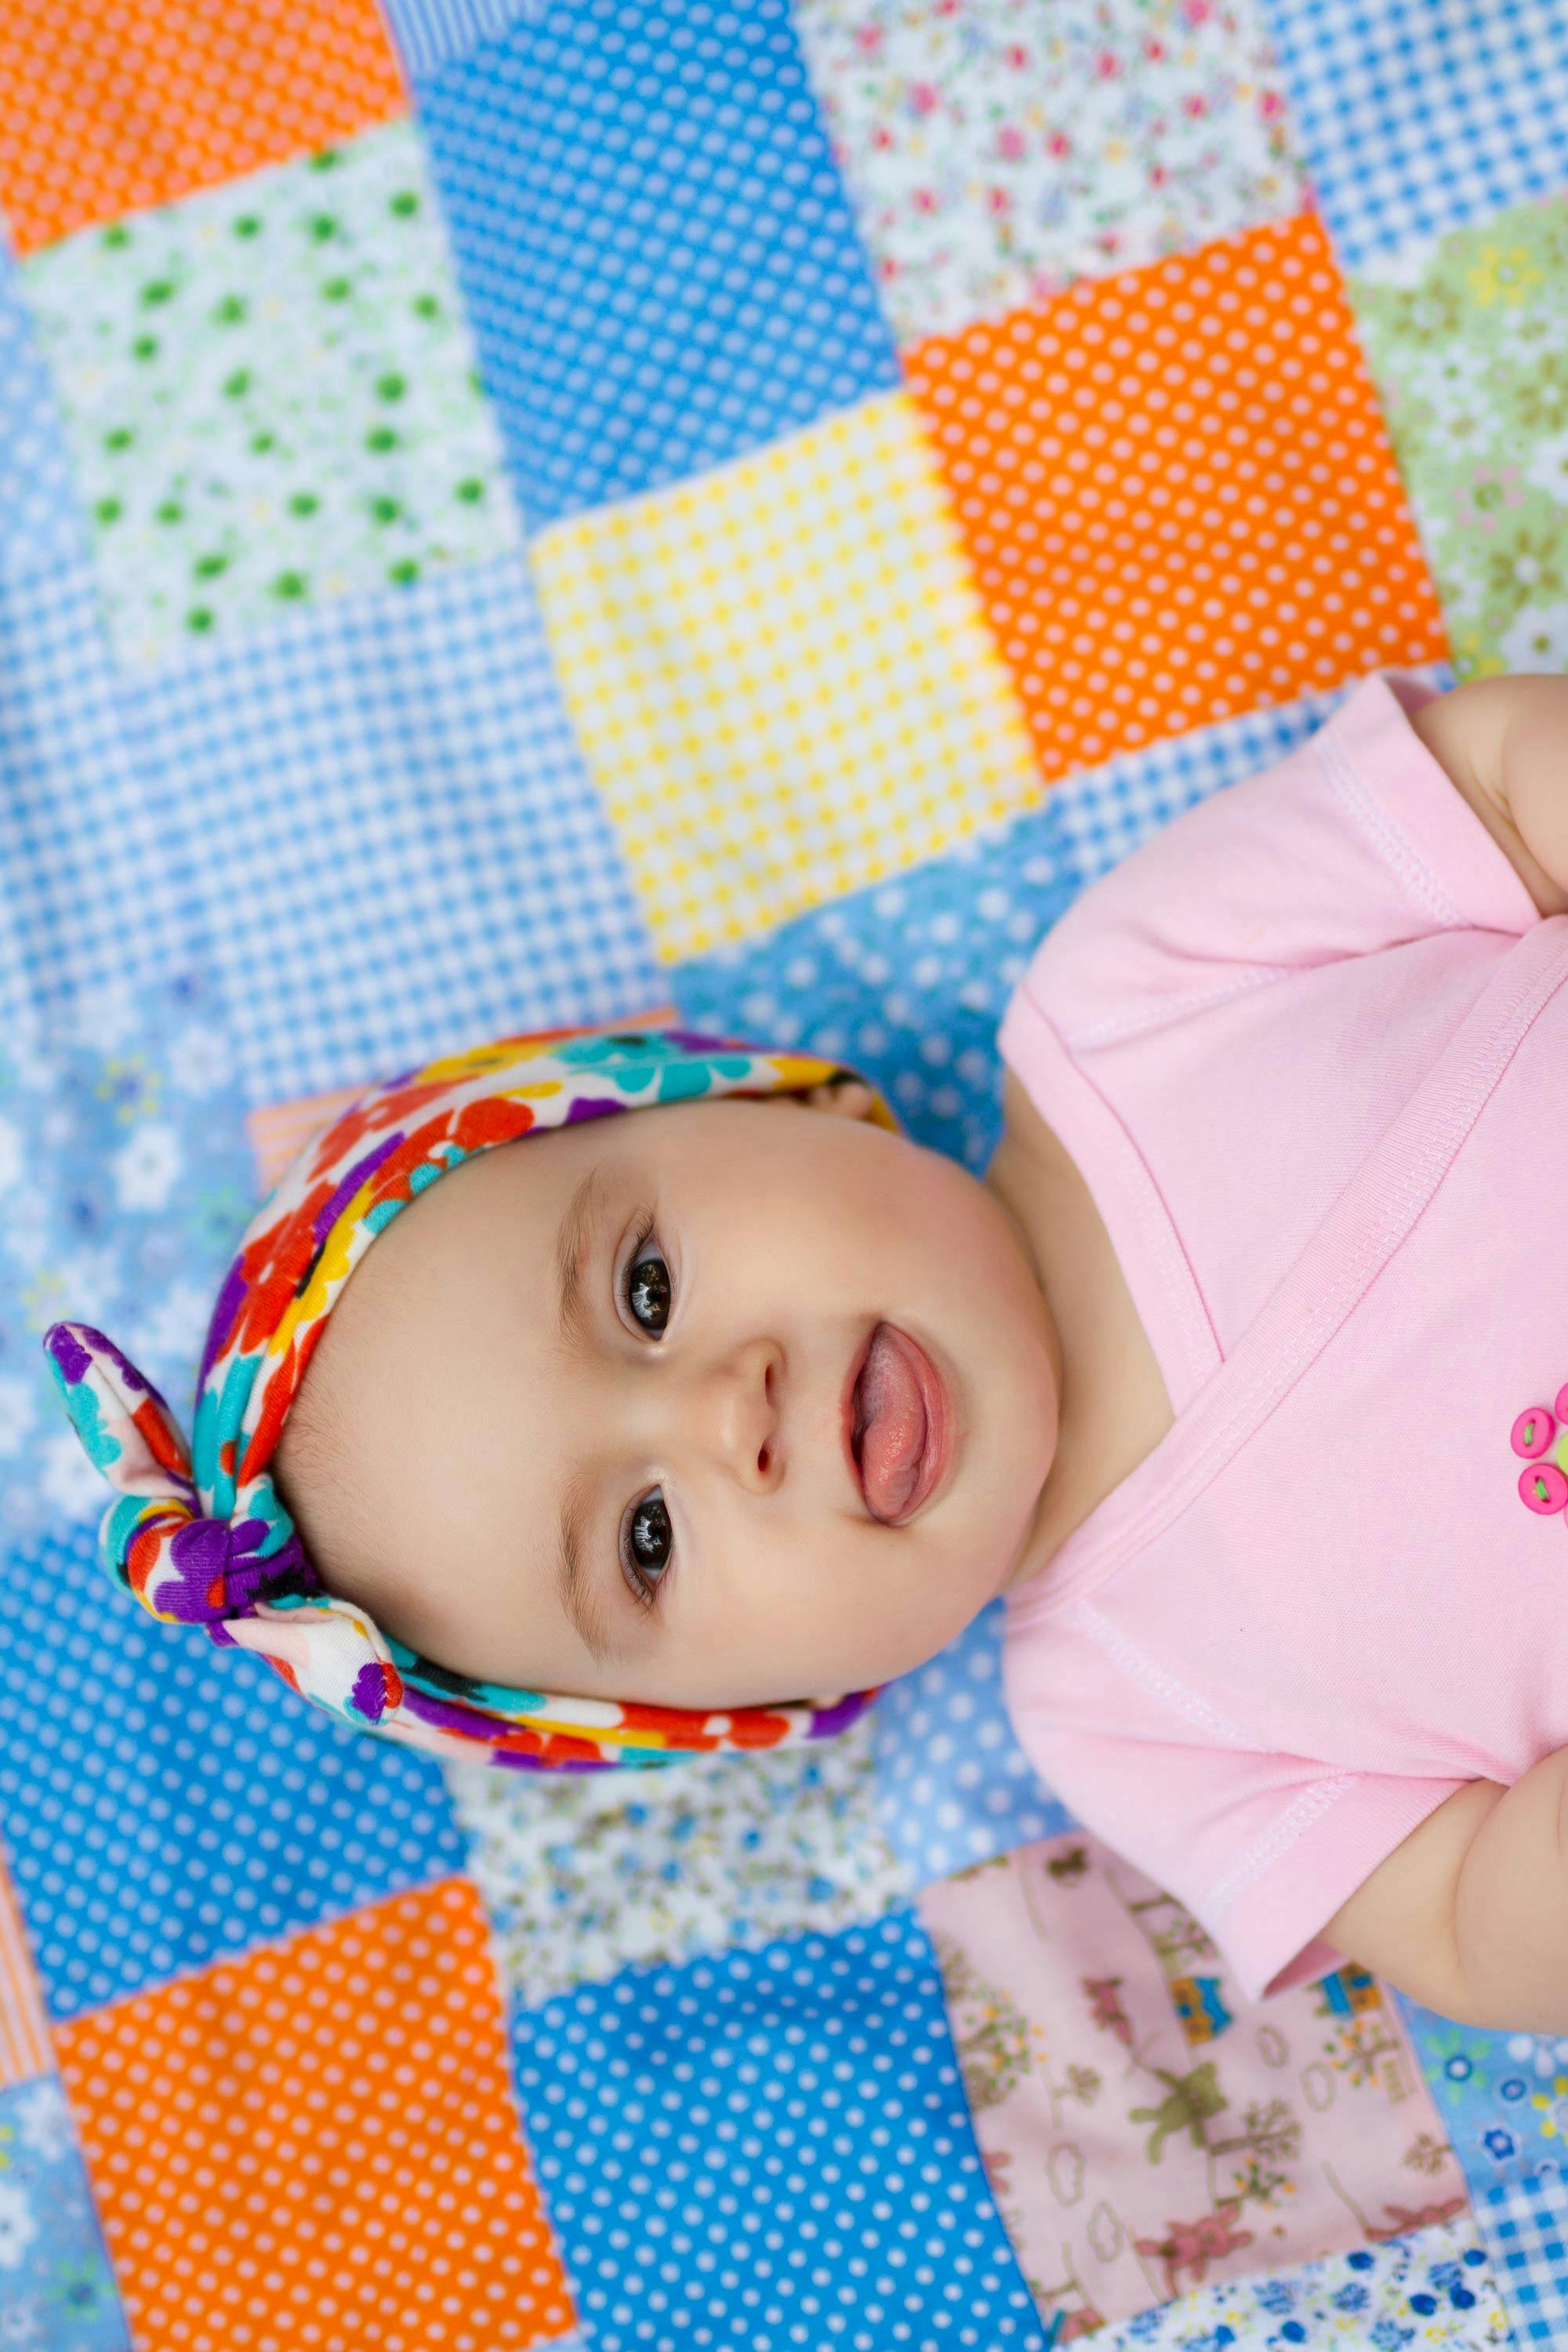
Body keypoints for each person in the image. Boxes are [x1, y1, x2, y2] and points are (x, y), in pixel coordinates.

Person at [47, 668, 1568, 2032]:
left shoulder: (1130, 992)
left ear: (767, 1103)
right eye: (645, 1539)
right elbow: (1465, 1925)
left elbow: (1496, 783)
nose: (729, 1416)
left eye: (645, 1290)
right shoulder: (1127, 1717)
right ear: (760, 1704)